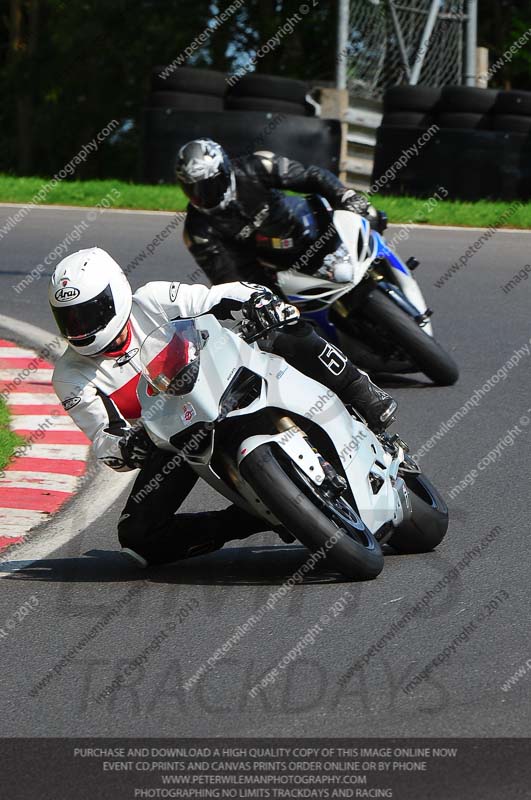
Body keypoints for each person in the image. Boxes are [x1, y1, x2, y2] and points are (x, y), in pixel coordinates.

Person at [49, 247, 396, 568]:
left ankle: (359, 388)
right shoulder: (69, 376)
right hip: (176, 436)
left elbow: (215, 297)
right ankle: (250, 517)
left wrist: (256, 300)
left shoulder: (152, 299)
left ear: (117, 295)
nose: (81, 329)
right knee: (139, 538)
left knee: (283, 325)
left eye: (89, 314)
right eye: (71, 320)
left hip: (224, 374)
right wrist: (127, 445)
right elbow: (102, 436)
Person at [175, 138, 385, 286]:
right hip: (282, 273)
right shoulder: (197, 231)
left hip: (316, 228)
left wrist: (344, 195)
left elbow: (309, 176)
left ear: (224, 172)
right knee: (292, 329)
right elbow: (225, 276)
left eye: (208, 185)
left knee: (373, 218)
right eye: (192, 188)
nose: (201, 195)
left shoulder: (257, 166)